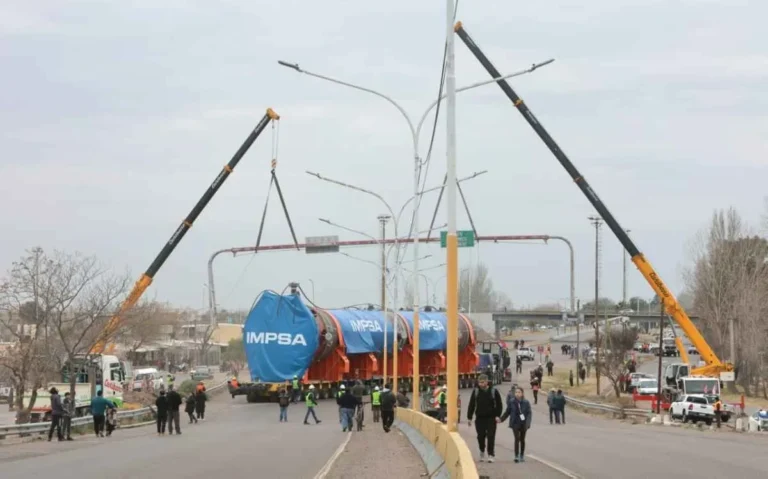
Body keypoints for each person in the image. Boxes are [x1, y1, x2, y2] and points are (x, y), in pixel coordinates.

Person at [466, 374, 503, 463]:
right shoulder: (476, 392)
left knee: (491, 436)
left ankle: (491, 454)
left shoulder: (494, 391)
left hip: (491, 418)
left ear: (487, 382)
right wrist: (469, 417)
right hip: (479, 418)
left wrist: (498, 415)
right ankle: (482, 451)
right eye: (480, 382)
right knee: (480, 437)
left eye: (483, 382)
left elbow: (499, 405)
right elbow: (471, 405)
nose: (481, 384)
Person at [500, 387, 532, 463]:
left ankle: (521, 455)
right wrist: (501, 419)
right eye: (516, 392)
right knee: (516, 439)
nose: (517, 394)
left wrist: (528, 423)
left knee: (522, 439)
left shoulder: (526, 402)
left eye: (519, 392)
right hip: (515, 422)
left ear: (522, 394)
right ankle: (516, 455)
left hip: (523, 423)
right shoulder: (512, 401)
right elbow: (507, 412)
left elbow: (529, 413)